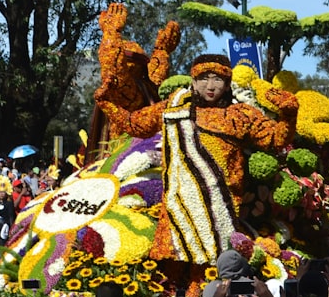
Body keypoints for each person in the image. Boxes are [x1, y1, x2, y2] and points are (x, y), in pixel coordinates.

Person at [96, 38, 298, 264]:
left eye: (218, 79)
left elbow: (275, 139)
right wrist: (106, 104)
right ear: (192, 81)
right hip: (177, 211)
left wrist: (288, 115)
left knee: (211, 271)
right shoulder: (173, 108)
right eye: (203, 78)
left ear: (228, 83)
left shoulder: (240, 115)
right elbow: (135, 125)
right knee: (171, 270)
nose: (210, 86)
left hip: (220, 212)